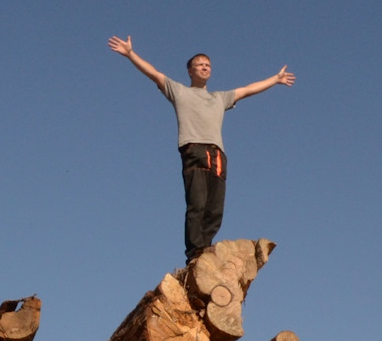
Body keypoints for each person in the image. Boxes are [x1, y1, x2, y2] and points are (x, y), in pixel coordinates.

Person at [108, 36, 294, 260]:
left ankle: (205, 250)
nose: (205, 68)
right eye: (200, 64)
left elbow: (247, 90)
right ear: (190, 71)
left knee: (214, 209)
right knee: (197, 203)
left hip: (217, 154)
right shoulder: (179, 91)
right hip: (194, 150)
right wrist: (130, 54)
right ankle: (195, 251)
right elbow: (153, 73)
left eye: (208, 65)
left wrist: (275, 79)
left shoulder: (219, 97)